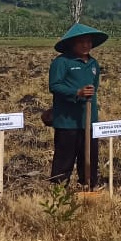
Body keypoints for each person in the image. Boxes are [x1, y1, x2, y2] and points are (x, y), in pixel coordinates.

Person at [48, 22, 107, 188]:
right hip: (67, 121)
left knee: (89, 156)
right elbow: (55, 86)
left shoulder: (93, 64)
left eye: (89, 42)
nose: (86, 45)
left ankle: (88, 186)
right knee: (64, 157)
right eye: (82, 41)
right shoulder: (62, 62)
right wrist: (77, 92)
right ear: (72, 43)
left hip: (88, 119)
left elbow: (95, 85)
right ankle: (58, 190)